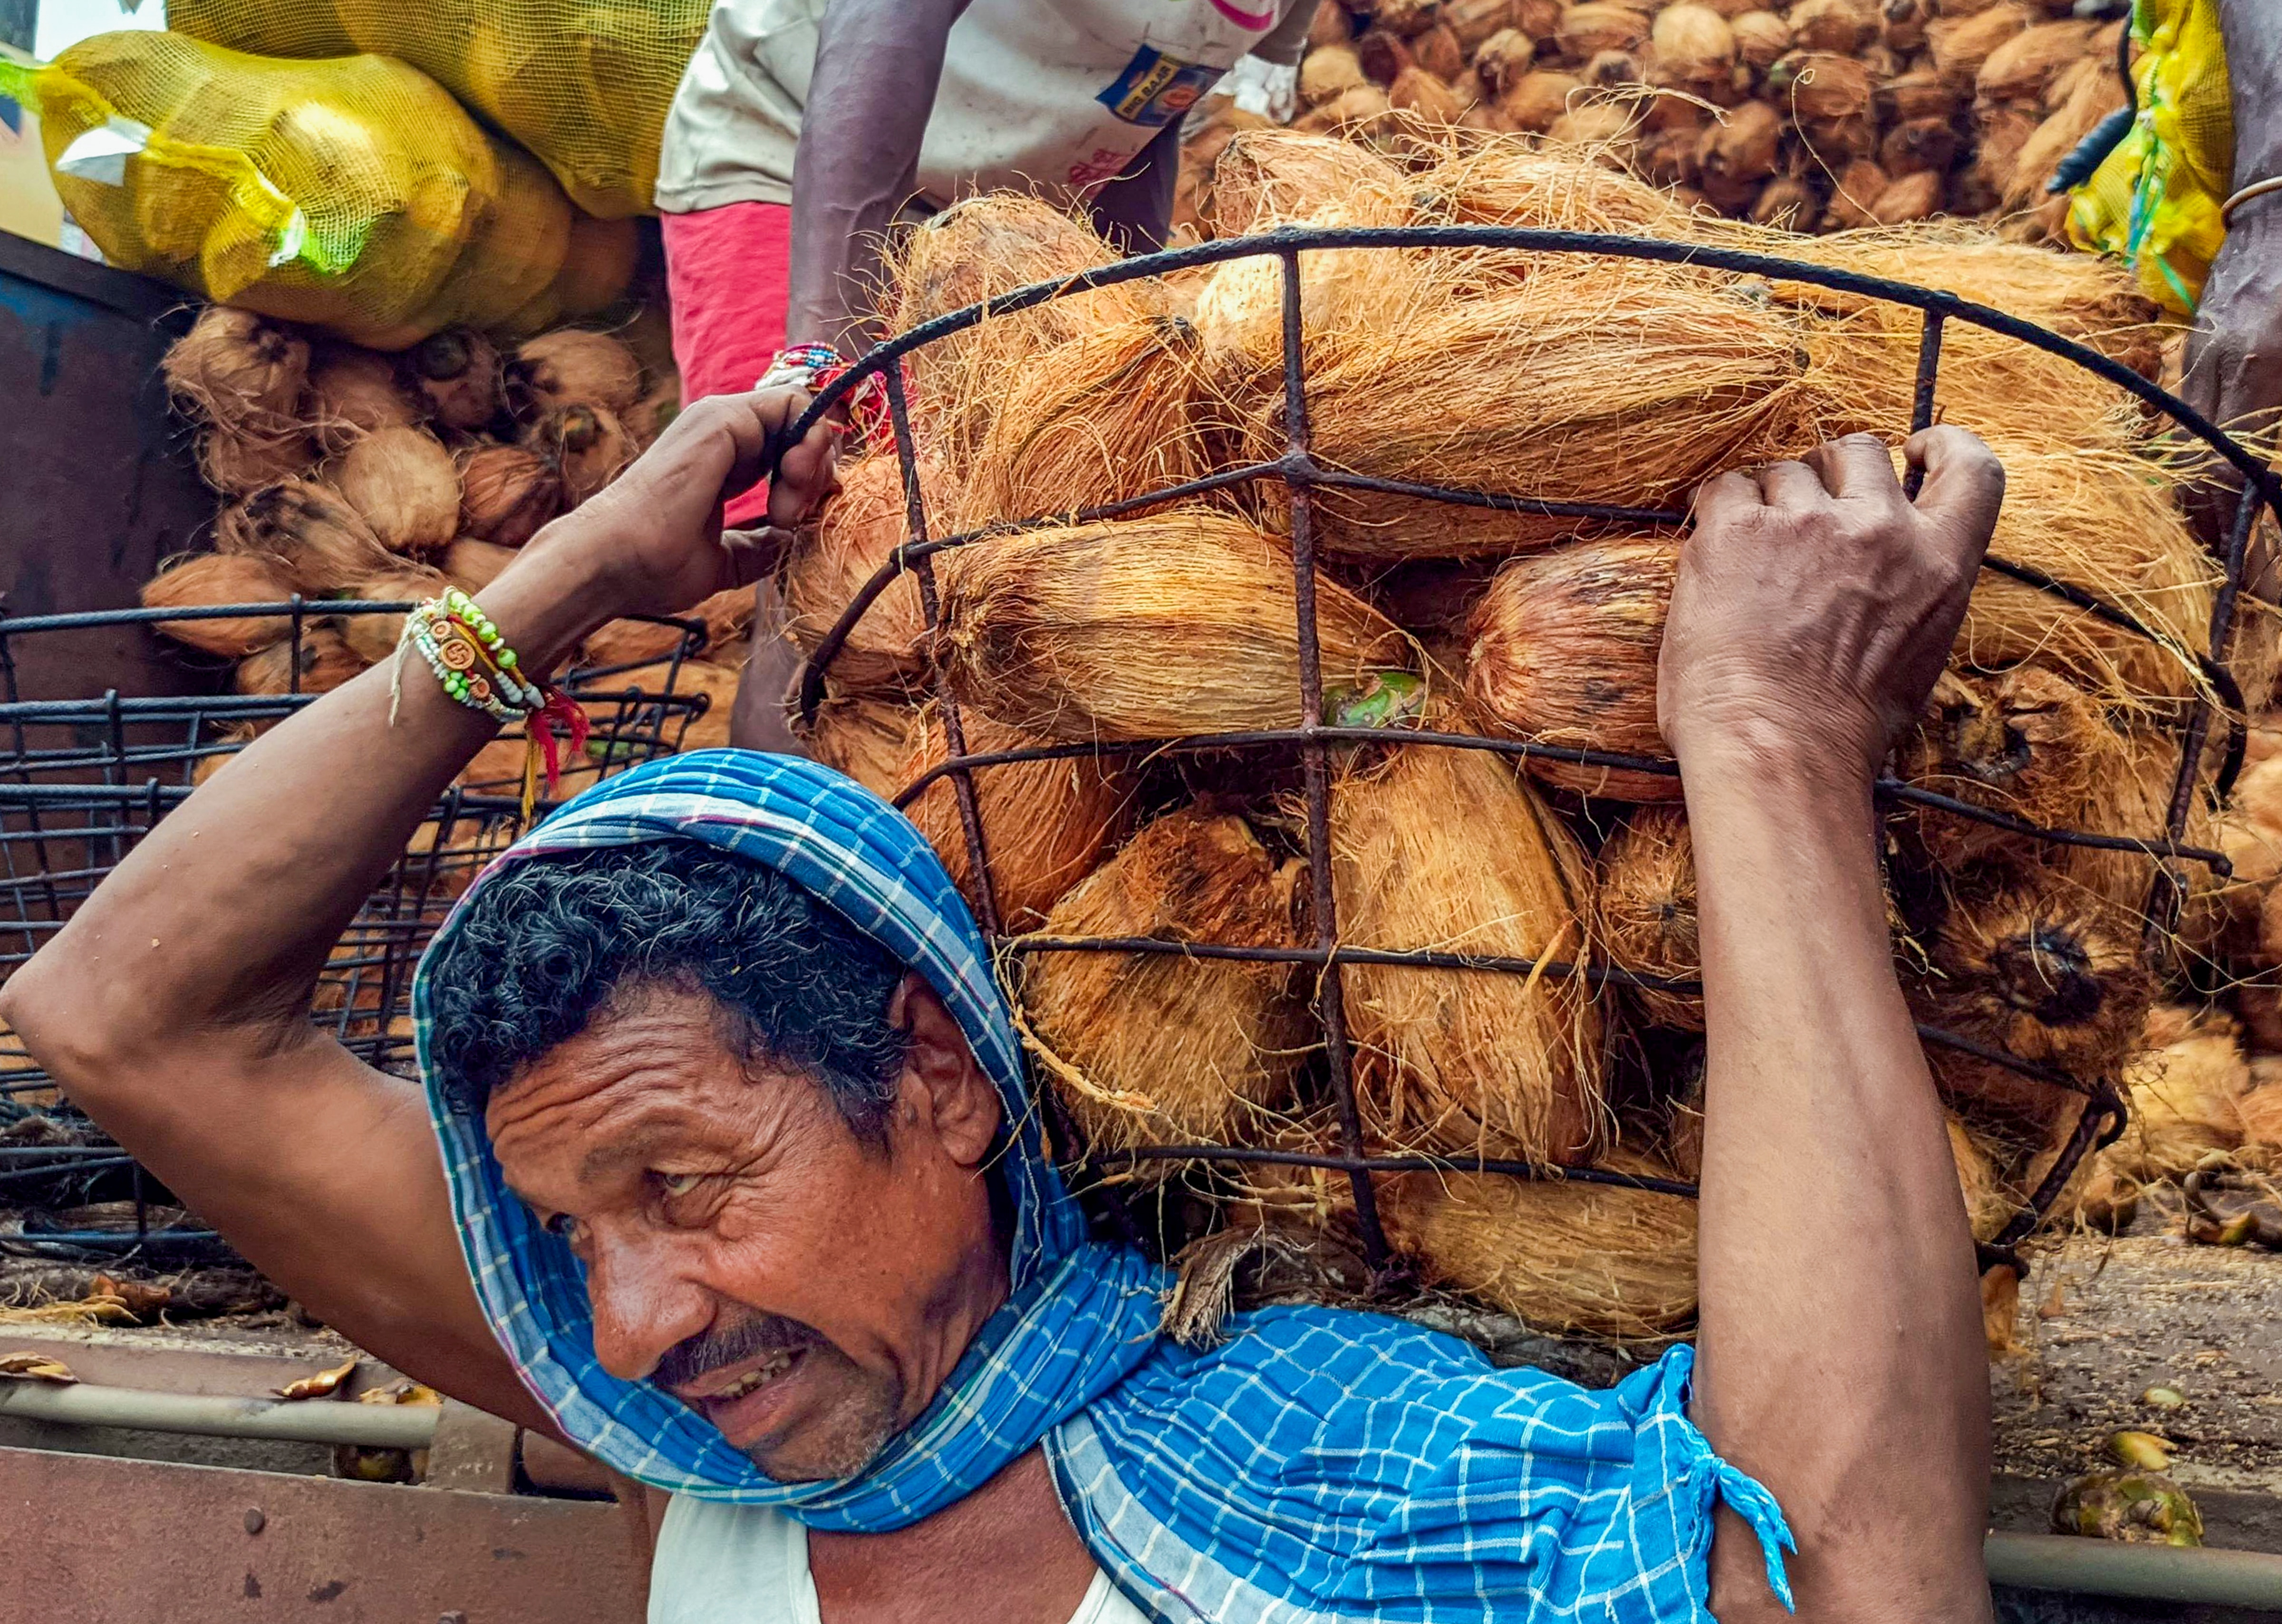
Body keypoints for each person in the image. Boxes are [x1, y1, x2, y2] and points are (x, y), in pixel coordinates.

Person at [0, 389, 2008, 1624]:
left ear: (942, 1073)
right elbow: (124, 1007)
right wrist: (582, 569)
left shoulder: (1315, 1449)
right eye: (560, 1234)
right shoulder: (692, 1433)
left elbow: (1854, 1577)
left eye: (687, 1180)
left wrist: (1765, 742)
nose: (622, 1315)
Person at [654, 0, 1315, 525]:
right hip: (800, 149)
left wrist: (1126, 339)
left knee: (978, 533)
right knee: (831, 532)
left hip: (995, 225)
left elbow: (1154, 96)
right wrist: (825, 359)